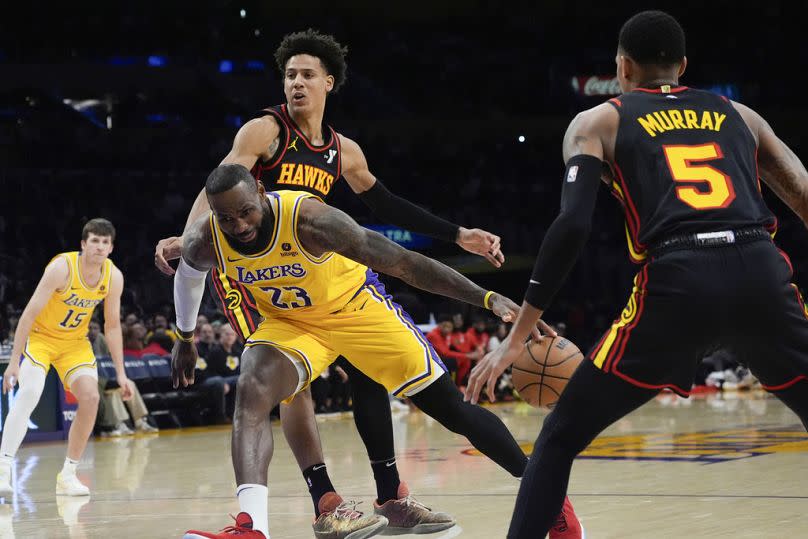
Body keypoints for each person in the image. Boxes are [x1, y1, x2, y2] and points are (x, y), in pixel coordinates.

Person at [153, 28, 536, 537]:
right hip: (259, 278)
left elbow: (386, 205)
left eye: (307, 75)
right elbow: (219, 185)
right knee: (286, 384)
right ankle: (325, 500)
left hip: (326, 276)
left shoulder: (342, 151)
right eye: (289, 74)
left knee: (371, 373)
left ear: (329, 83)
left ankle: (391, 496)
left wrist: (457, 233)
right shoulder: (264, 132)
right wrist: (192, 240)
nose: (296, 83)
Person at [466, 11, 808, 538]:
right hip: (760, 268)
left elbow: (573, 224)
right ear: (684, 66)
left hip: (678, 280)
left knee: (558, 438)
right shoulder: (740, 114)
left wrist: (516, 336)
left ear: (622, 66)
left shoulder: (598, 121)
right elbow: (804, 197)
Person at [173, 165, 577, 539]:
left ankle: (550, 498)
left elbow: (404, 263)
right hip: (293, 323)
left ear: (260, 192)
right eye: (227, 218)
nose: (239, 226)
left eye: (246, 212)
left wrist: (487, 298)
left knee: (451, 410)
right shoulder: (205, 237)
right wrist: (186, 338)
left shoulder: (311, 221)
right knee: (251, 385)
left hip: (356, 309)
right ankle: (252, 527)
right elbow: (188, 277)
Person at [0, 219, 134, 497]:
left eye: (105, 242)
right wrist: (14, 361)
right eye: (94, 241)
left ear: (111, 248)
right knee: (30, 393)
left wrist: (121, 374)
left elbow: (111, 326)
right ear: (83, 244)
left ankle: (69, 474)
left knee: (91, 398)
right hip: (40, 339)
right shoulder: (62, 268)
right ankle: (3, 467)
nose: (99, 247)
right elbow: (28, 313)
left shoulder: (114, 277)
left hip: (74, 344)